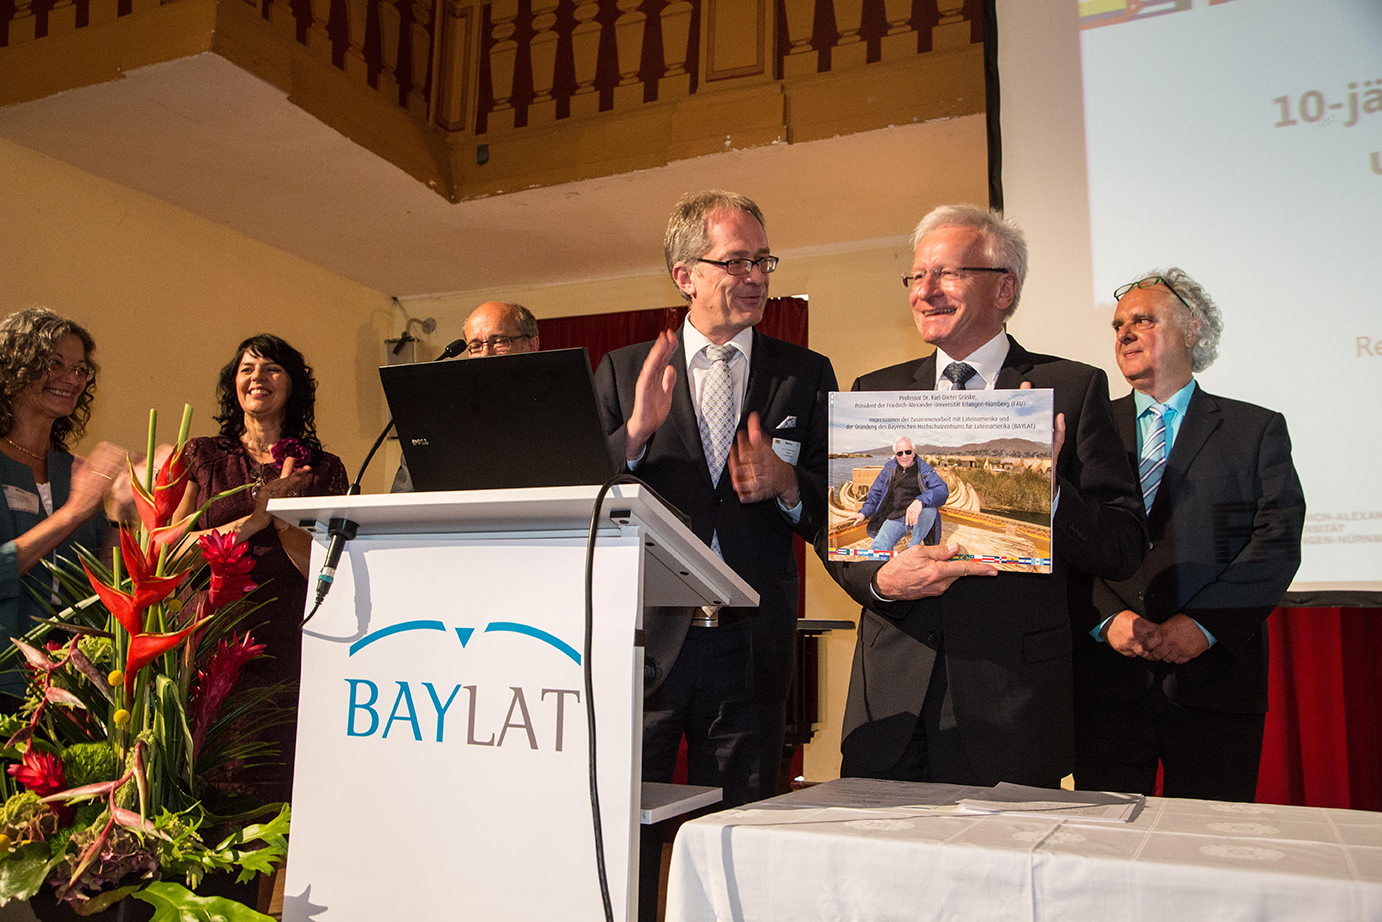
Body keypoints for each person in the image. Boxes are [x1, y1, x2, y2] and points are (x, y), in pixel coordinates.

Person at [822, 204, 1146, 788]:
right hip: (890, 703)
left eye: (947, 274)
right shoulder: (875, 392)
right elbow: (846, 536)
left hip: (1011, 704)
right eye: (916, 277)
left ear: (1004, 288)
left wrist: (1050, 493)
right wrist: (879, 581)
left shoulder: (1072, 386)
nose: (925, 292)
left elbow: (1122, 546)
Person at [594, 190, 837, 808]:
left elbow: (841, 509)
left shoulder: (805, 375)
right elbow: (584, 499)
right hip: (645, 642)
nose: (756, 277)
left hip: (750, 646)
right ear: (686, 276)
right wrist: (635, 436)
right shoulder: (625, 372)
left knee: (740, 828)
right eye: (736, 262)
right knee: (621, 827)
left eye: (763, 261)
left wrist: (785, 484)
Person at [1073, 269, 1304, 802]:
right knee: (1103, 851)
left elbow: (1275, 541)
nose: (1124, 333)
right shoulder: (1089, 430)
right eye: (1118, 325)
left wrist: (1204, 624)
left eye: (1143, 320)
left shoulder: (1255, 429)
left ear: (1192, 331)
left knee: (1209, 851)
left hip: (1216, 683)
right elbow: (1068, 543)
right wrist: (1107, 620)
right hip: (1109, 678)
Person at [173, 334, 348, 802]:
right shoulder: (201, 456)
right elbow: (169, 553)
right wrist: (253, 521)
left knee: (270, 787)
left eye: (272, 368)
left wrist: (287, 522)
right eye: (247, 368)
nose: (257, 378)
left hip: (284, 640)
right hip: (204, 636)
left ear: (293, 386)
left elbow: (330, 574)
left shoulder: (324, 470)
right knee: (197, 783)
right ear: (234, 383)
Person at [0, 308, 130, 703]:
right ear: (14, 369)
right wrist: (72, 513)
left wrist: (119, 516)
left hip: (68, 687)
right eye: (54, 363)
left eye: (80, 369)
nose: (72, 379)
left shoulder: (74, 471)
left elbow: (102, 587)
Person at [390, 301, 539, 493]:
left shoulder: (563, 411)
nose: (486, 354)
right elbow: (403, 502)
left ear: (532, 345)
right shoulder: (437, 421)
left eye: (500, 341)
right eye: (475, 346)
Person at [847, 437, 948, 551]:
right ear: (895, 454)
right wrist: (864, 513)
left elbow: (941, 489)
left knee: (930, 510)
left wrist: (920, 501)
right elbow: (876, 493)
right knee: (878, 548)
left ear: (914, 453)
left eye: (908, 452)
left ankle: (912, 548)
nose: (904, 456)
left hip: (918, 515)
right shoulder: (889, 469)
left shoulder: (924, 469)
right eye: (900, 453)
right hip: (896, 515)